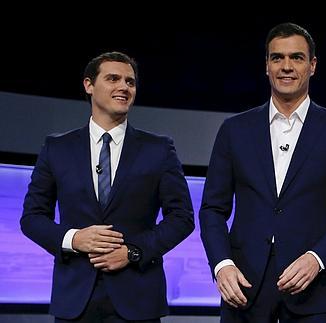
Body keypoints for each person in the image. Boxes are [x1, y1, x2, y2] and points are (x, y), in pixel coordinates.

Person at [199, 22, 326, 322]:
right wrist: (222, 264)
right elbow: (212, 209)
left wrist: (317, 259)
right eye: (277, 58)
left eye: (297, 57)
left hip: (314, 290)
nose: (286, 66)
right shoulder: (234, 130)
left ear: (312, 65)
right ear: (266, 66)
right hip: (244, 288)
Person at [21, 51, 195, 322]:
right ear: (89, 85)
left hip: (138, 299)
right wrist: (74, 239)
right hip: (75, 299)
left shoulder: (159, 149)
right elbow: (32, 218)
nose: (123, 87)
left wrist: (133, 252)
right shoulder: (57, 148)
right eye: (113, 78)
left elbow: (182, 218)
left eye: (130, 82)